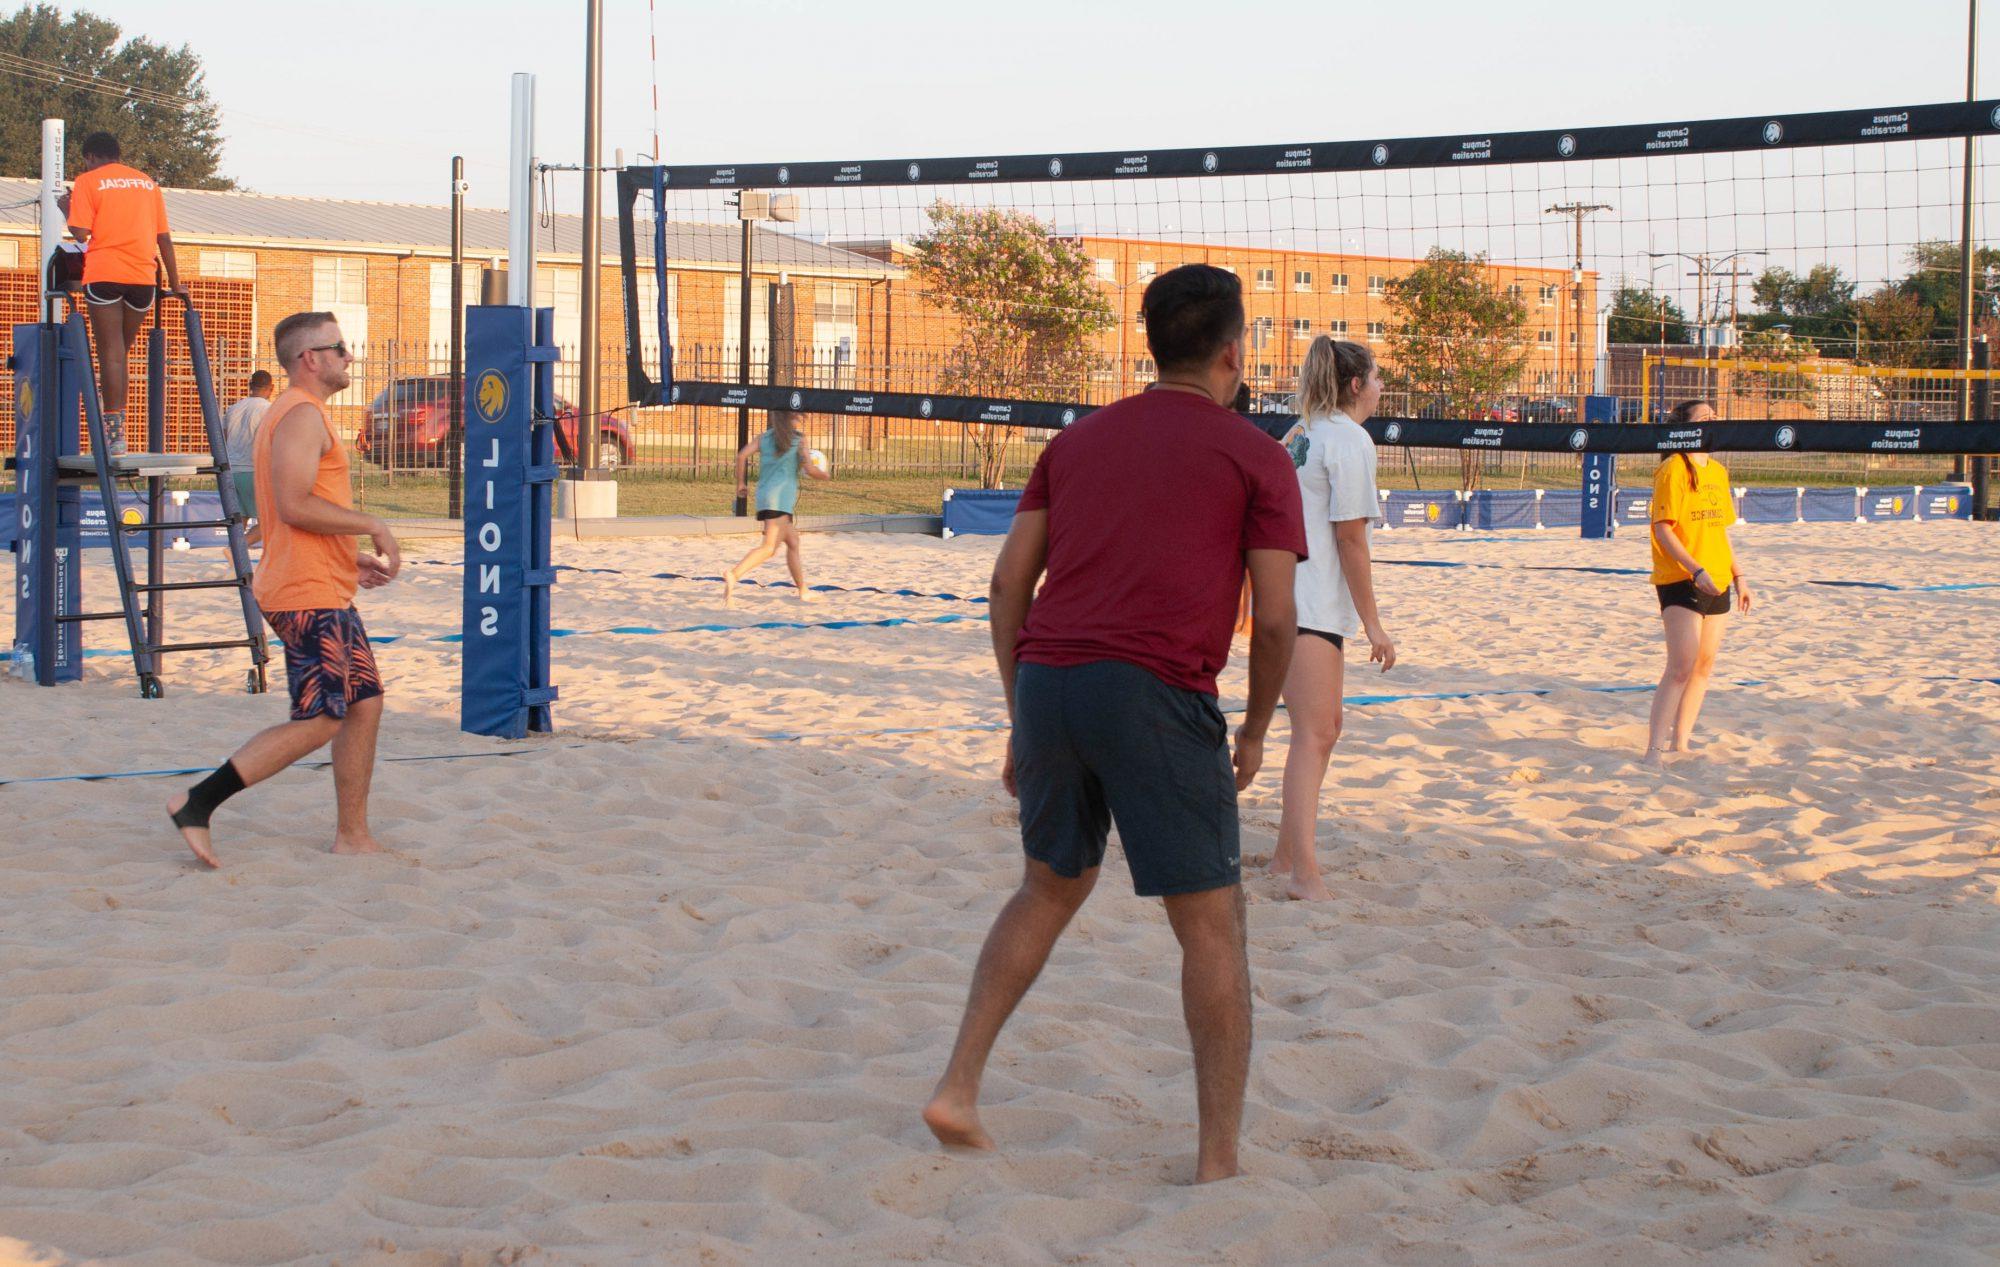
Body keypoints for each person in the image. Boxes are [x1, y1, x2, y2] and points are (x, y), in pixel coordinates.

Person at [923, 264, 1306, 1184]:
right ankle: (1218, 1159)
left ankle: (958, 1086)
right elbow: (1281, 613)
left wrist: (1023, 713)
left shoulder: (1078, 440)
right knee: (1213, 926)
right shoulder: (1257, 454)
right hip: (1153, 690)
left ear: (1150, 345)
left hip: (1051, 678)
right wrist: (1254, 728)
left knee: (1047, 888)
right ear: (1232, 350)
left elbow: (1007, 583)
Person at [167, 313, 402, 867]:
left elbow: (296, 512)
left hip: (323, 584)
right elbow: (295, 505)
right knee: (323, 717)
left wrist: (351, 555)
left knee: (364, 704)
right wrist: (373, 523)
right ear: (310, 360)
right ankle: (197, 803)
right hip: (303, 593)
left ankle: (353, 835)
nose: (349, 356)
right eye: (339, 348)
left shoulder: (304, 412)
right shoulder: (298, 413)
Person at [1269, 338, 1397, 901]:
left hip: (1289, 596)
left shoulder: (1302, 431)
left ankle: (1284, 858)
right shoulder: (1347, 438)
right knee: (1315, 734)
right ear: (1354, 386)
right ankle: (1304, 876)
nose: (1381, 386)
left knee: (1323, 730)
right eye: (1376, 378)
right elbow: (1351, 538)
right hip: (1310, 602)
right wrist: (1373, 623)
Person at [1644, 400, 1755, 765]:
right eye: (1705, 418)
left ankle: (1682, 744)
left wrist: (1740, 577)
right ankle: (1654, 750)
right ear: (1686, 428)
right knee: (1681, 665)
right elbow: (1663, 530)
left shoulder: (1718, 472)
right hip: (1682, 577)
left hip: (1718, 576)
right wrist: (1696, 570)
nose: (1713, 422)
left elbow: (1718, 532)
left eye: (1715, 417)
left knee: (1703, 666)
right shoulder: (1674, 470)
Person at [64, 132, 185, 457]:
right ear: (118, 154)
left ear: (90, 157)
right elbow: (164, 238)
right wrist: (175, 283)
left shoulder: (88, 181)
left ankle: (115, 432)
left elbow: (80, 233)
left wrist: (66, 208)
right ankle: (113, 409)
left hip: (105, 273)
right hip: (143, 278)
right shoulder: (147, 184)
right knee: (121, 353)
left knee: (112, 355)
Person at [722, 411, 830, 606]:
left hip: (765, 497)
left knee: (793, 542)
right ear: (790, 419)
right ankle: (734, 574)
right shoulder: (799, 440)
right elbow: (810, 470)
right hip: (779, 500)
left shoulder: (764, 438)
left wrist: (741, 484)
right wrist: (825, 475)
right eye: (797, 417)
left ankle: (803, 590)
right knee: (769, 548)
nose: (799, 420)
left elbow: (741, 455)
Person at [223, 370, 275, 543]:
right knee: (269, 521)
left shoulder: (233, 408)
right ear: (271, 388)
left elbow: (224, 437)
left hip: (231, 470)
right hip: (254, 470)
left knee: (239, 519)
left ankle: (236, 557)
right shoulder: (268, 410)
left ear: (250, 386)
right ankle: (245, 549)